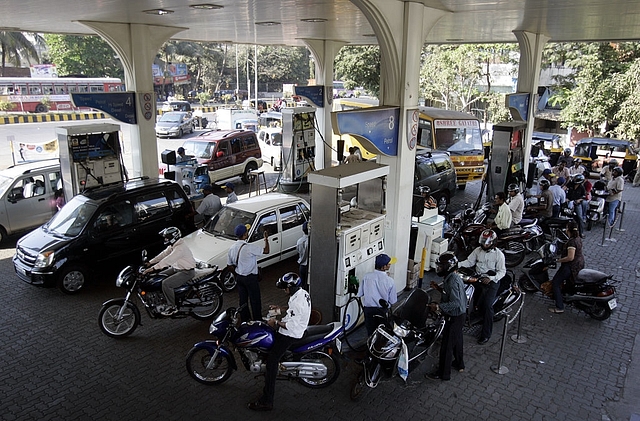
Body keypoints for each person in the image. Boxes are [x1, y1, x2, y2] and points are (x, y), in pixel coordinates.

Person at [248, 273, 311, 411]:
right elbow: (294, 311)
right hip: (299, 326)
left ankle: (267, 401)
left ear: (291, 287)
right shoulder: (302, 293)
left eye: (285, 288)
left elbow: (290, 326)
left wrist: (275, 322)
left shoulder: (297, 301)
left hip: (292, 334)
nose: (284, 290)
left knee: (272, 361)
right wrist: (280, 309)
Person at [459, 229, 506, 345]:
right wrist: (456, 264)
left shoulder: (499, 255)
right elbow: (469, 262)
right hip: (478, 278)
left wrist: (491, 278)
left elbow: (502, 272)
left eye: (488, 242)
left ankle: (486, 334)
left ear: (493, 242)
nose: (485, 244)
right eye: (484, 241)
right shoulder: (477, 251)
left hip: (492, 282)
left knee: (487, 306)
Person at [425, 252, 466, 381]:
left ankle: (443, 373)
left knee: (446, 346)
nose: (439, 269)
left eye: (441, 266)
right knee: (457, 341)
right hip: (460, 316)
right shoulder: (450, 278)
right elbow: (449, 294)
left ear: (448, 267)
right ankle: (459, 364)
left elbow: (455, 302)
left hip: (454, 317)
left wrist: (438, 307)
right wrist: (438, 288)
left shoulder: (453, 281)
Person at [144, 227, 196, 316]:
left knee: (166, 284)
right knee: (159, 276)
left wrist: (153, 268)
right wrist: (150, 262)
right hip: (177, 268)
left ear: (173, 237)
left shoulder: (179, 248)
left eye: (167, 237)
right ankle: (163, 297)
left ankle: (172, 306)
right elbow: (163, 254)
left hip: (186, 271)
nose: (165, 239)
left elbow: (167, 260)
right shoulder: (174, 245)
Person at [227, 223, 269, 321]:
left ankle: (245, 320)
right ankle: (257, 321)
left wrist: (237, 273)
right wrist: (266, 239)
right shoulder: (249, 247)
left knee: (243, 301)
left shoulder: (232, 248)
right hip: (250, 278)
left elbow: (229, 266)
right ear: (245, 235)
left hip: (240, 278)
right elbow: (266, 251)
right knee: (255, 300)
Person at [357, 253, 398, 336]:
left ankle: (370, 347)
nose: (390, 265)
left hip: (368, 311)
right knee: (383, 334)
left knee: (371, 334)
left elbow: (360, 293)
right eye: (388, 264)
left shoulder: (366, 277)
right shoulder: (390, 281)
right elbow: (393, 300)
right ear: (384, 267)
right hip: (382, 311)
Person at [549, 220, 584, 314]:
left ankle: (559, 307)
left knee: (556, 283)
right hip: (578, 264)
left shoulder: (572, 242)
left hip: (570, 267)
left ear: (568, 229)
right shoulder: (578, 238)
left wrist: (558, 260)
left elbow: (570, 257)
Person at [296, 221, 309, 287]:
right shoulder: (311, 241)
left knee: (302, 284)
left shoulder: (299, 241)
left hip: (301, 266)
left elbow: (298, 251)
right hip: (308, 266)